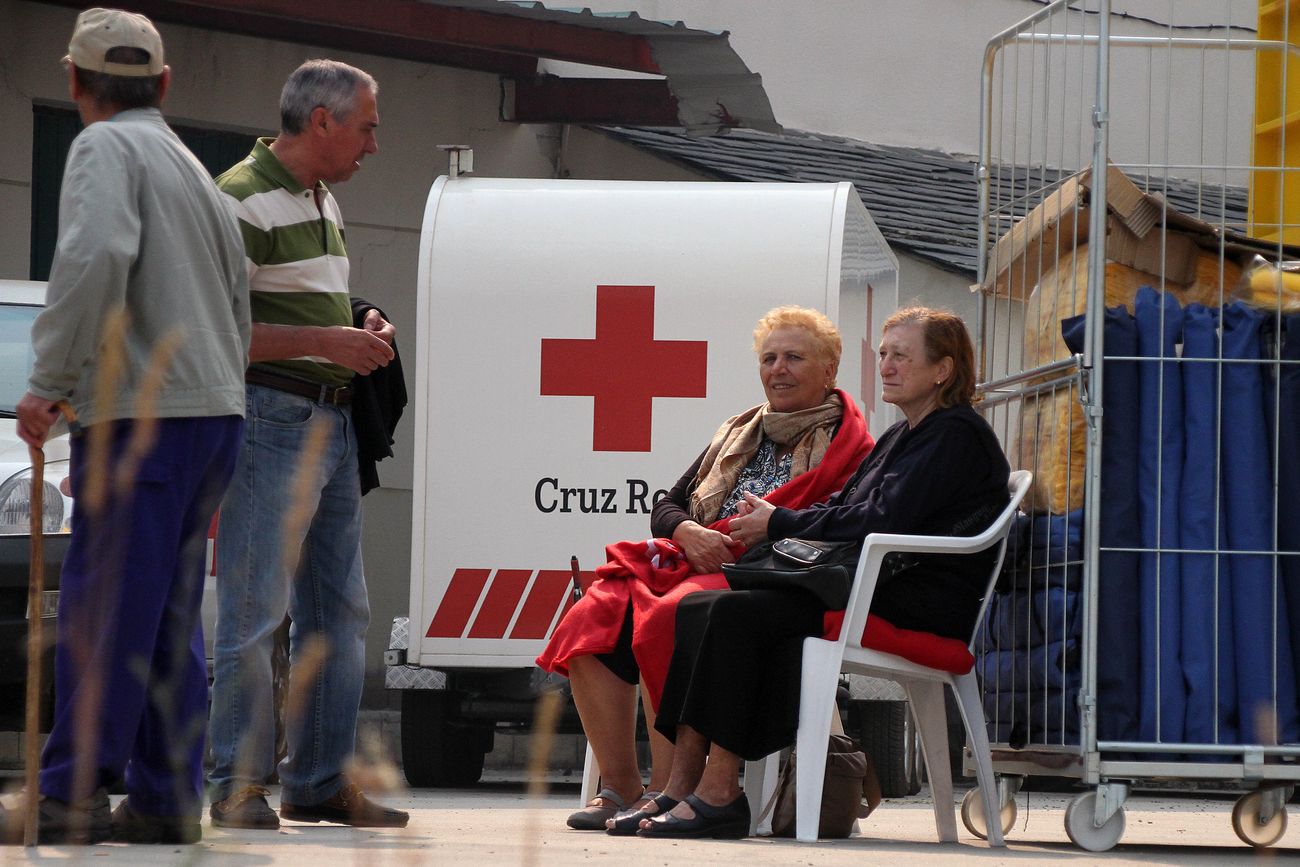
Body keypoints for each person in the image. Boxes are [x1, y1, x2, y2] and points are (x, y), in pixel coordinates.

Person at [0, 8, 250, 845]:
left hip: (147, 411)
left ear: (73, 83)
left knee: (104, 607)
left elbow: (97, 254)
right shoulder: (192, 165)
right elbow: (238, 299)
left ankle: (67, 794)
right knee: (167, 612)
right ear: (166, 84)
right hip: (213, 410)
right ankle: (166, 795)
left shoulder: (105, 148)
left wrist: (50, 383)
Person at [639, 306, 1011, 839]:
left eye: (901, 356)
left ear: (943, 370)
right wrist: (772, 521)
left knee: (734, 614)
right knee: (702, 606)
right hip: (873, 585)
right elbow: (848, 502)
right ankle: (679, 787)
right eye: (883, 354)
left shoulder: (955, 434)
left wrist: (780, 522)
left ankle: (719, 792)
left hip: (916, 598)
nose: (885, 366)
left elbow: (882, 518)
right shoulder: (905, 434)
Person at [536, 306, 874, 833]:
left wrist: (765, 530)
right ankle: (619, 784)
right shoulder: (741, 429)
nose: (777, 369)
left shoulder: (852, 446)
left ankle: (669, 790)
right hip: (694, 557)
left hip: (763, 571)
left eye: (793, 358)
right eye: (769, 358)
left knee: (670, 614)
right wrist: (685, 532)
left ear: (830, 369)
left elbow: (838, 526)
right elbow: (668, 502)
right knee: (592, 612)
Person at [206, 59, 407, 830]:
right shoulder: (238, 199)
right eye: (368, 127)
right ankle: (236, 785)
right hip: (273, 417)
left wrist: (358, 328)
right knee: (256, 611)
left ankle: (318, 780)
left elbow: (294, 308)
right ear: (321, 121)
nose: (374, 146)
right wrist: (327, 339)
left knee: (341, 609)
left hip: (330, 418)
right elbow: (215, 334)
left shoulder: (322, 198)